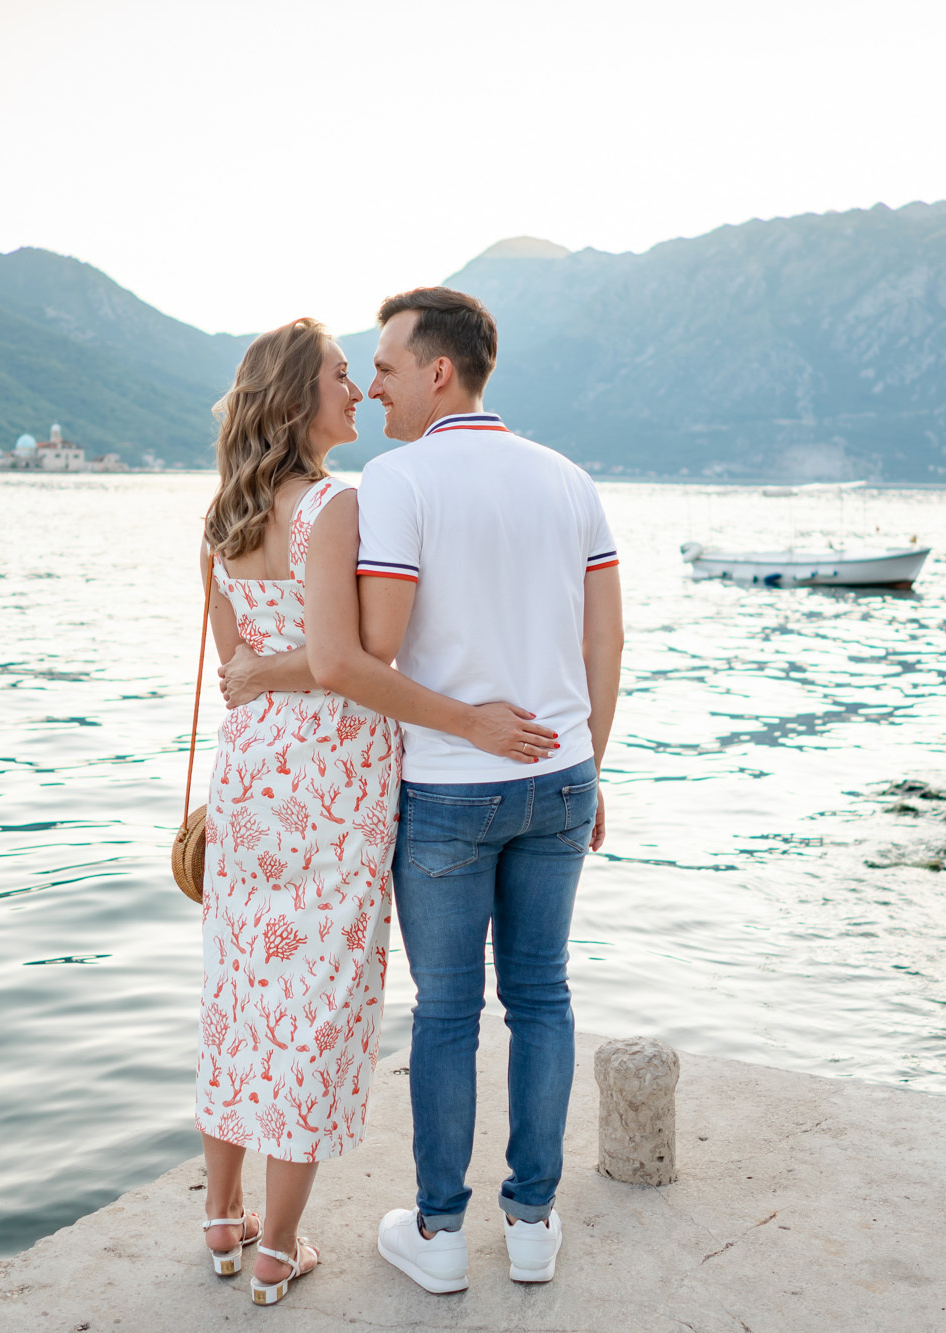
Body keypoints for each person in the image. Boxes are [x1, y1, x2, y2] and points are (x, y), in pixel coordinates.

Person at [195, 318, 558, 1306]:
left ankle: (220, 1219)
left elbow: (240, 669)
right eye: (338, 377)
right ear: (295, 400)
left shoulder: (218, 520)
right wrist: (470, 723)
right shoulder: (331, 507)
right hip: (332, 783)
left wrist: (274, 668)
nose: (355, 391)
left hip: (250, 774)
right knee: (317, 1006)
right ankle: (276, 1248)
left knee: (237, 992)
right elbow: (350, 663)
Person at [319, 286, 624, 1294]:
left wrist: (465, 721)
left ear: (437, 370)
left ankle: (440, 1236)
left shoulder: (397, 480)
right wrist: (588, 762)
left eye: (387, 367)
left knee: (446, 1011)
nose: (374, 386)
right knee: (541, 996)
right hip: (560, 776)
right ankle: (531, 1225)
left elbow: (373, 650)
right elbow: (602, 641)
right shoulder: (568, 478)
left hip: (450, 787)